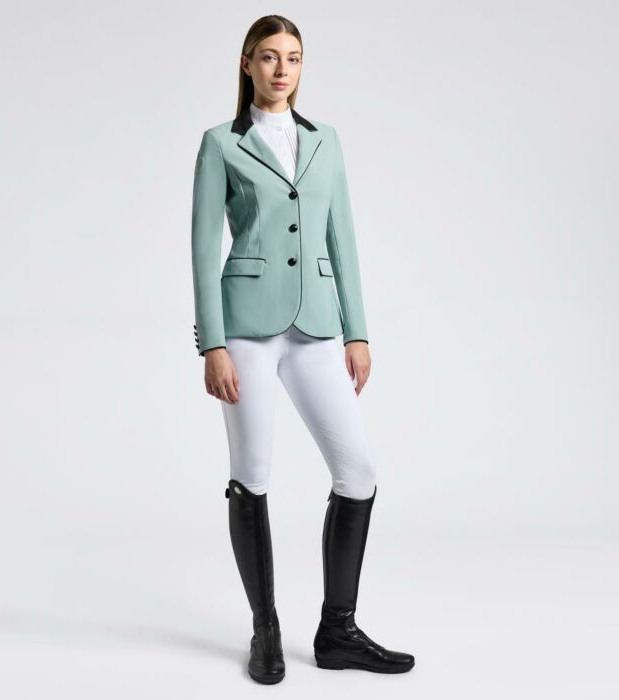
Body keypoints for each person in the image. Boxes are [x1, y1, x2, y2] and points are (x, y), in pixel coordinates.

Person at [191, 14, 415, 684]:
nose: (281, 69)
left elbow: (342, 236)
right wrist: (213, 344)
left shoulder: (325, 141)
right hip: (246, 331)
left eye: (292, 57)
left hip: (316, 326)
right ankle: (264, 629)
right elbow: (203, 249)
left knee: (358, 472)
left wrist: (358, 330)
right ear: (247, 64)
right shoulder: (220, 143)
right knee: (252, 474)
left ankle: (337, 631)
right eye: (268, 57)